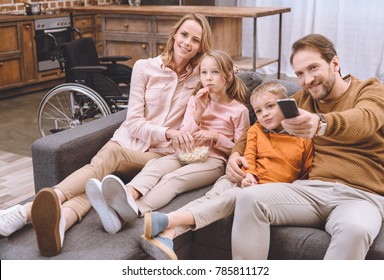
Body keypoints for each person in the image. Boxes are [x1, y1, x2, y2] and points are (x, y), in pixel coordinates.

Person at [0, 13, 212, 257]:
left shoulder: (200, 77)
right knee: (95, 184)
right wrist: (169, 132)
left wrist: (229, 70)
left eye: (195, 40)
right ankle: (62, 222)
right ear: (174, 34)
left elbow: (223, 71)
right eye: (184, 35)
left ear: (200, 47)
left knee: (107, 159)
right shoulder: (145, 67)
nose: (187, 43)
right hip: (128, 140)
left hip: (155, 157)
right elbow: (133, 122)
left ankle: (27, 210)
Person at [227, 33, 384, 260]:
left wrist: (321, 123)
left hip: (362, 195)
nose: (307, 80)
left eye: (313, 68)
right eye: (300, 74)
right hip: (312, 190)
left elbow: (365, 120)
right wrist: (235, 154)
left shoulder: (370, 89)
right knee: (248, 198)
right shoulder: (304, 100)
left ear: (335, 63)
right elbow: (259, 126)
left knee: (356, 229)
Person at [137, 81, 314, 260]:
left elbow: (305, 174)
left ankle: (168, 220)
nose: (264, 114)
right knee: (212, 197)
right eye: (258, 111)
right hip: (242, 176)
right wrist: (248, 174)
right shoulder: (256, 130)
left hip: (265, 190)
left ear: (285, 104)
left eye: (270, 106)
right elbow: (249, 153)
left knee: (230, 198)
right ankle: (168, 234)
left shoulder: (303, 139)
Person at [86, 50, 250, 240]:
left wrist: (215, 137)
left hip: (213, 161)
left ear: (228, 76)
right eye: (204, 73)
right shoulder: (195, 100)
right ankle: (126, 196)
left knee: (173, 179)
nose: (208, 78)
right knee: (154, 165)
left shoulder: (239, 111)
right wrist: (198, 112)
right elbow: (184, 134)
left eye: (214, 72)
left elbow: (239, 149)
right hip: (186, 152)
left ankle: (127, 214)